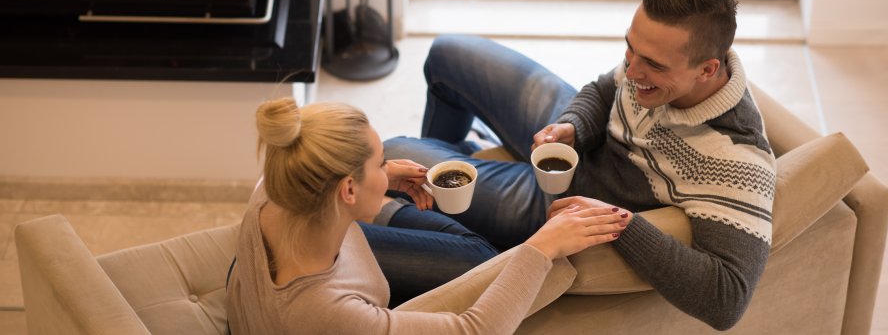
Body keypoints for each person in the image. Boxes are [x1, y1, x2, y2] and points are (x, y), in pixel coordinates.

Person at [380, 0, 776, 330]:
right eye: (629, 48)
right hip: (581, 147)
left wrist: (620, 221)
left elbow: (727, 299)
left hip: (575, 198)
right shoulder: (653, 64)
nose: (633, 72)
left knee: (395, 152)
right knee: (448, 53)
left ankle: (449, 212)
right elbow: (606, 89)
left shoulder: (736, 161)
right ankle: (456, 174)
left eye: (651, 64)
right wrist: (574, 126)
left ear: (707, 69)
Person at [226, 98, 631, 334]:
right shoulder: (328, 311)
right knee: (484, 257)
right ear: (347, 190)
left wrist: (381, 178)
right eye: (379, 162)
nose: (388, 167)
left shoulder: (275, 188)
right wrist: (541, 247)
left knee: (476, 253)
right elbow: (474, 330)